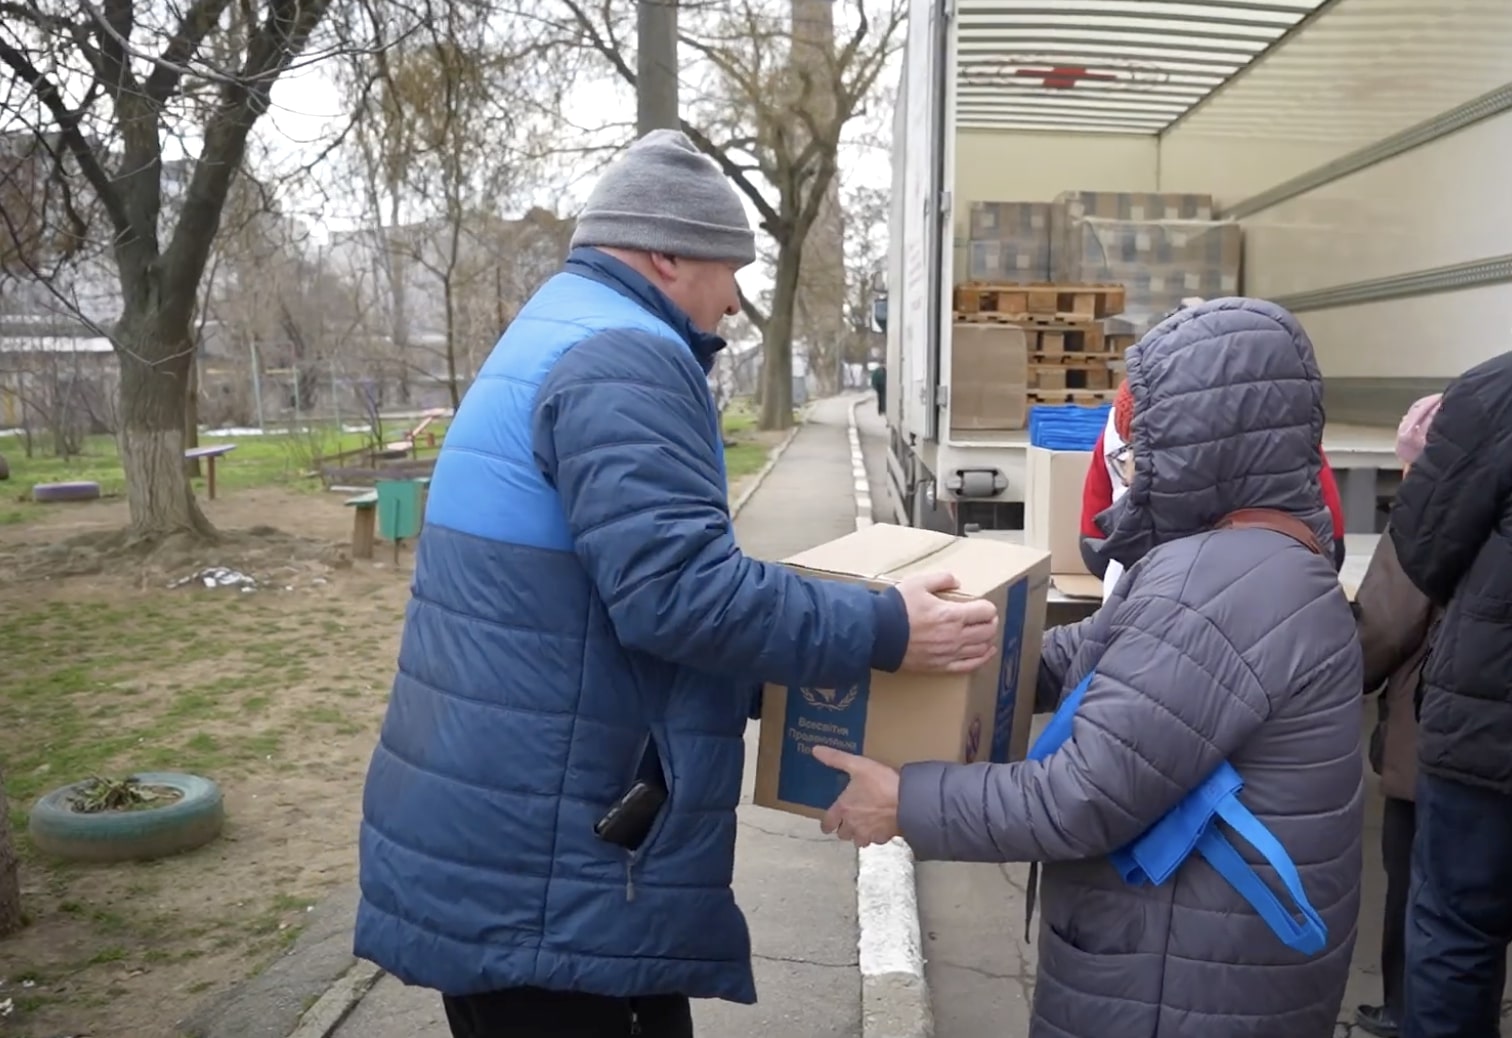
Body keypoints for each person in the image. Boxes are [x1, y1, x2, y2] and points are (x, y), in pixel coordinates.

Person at [350, 128, 1001, 1038]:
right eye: (729, 269)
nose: (735, 301)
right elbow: (677, 593)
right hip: (555, 852)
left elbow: (603, 599)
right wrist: (887, 629)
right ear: (665, 255)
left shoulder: (557, 325)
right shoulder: (625, 357)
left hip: (511, 817)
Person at [813, 297, 1364, 1038]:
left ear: (1202, 445)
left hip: (1177, 988)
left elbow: (1081, 796)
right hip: (1211, 967)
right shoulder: (1256, 558)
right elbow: (1100, 650)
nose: (1129, 464)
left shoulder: (1216, 587)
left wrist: (906, 800)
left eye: (1143, 443)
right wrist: (961, 644)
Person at [1390, 351, 1512, 1038]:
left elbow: (1424, 551)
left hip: (1487, 732)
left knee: (1455, 939)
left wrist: (1416, 467)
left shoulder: (1496, 392)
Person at [1351, 394, 1443, 1038]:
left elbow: (1381, 627)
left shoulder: (1430, 518)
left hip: (1430, 738)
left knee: (1418, 886)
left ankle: (1408, 1012)